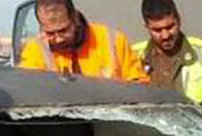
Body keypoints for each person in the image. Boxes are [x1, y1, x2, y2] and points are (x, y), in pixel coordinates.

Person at [132, 0, 202, 125]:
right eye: (157, 30)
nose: (165, 35)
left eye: (170, 27)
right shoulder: (134, 57)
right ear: (146, 27)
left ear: (179, 20)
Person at [18, 0, 146, 82]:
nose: (58, 39)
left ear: (75, 18)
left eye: (63, 30)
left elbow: (139, 86)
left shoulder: (113, 40)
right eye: (50, 33)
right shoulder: (34, 51)